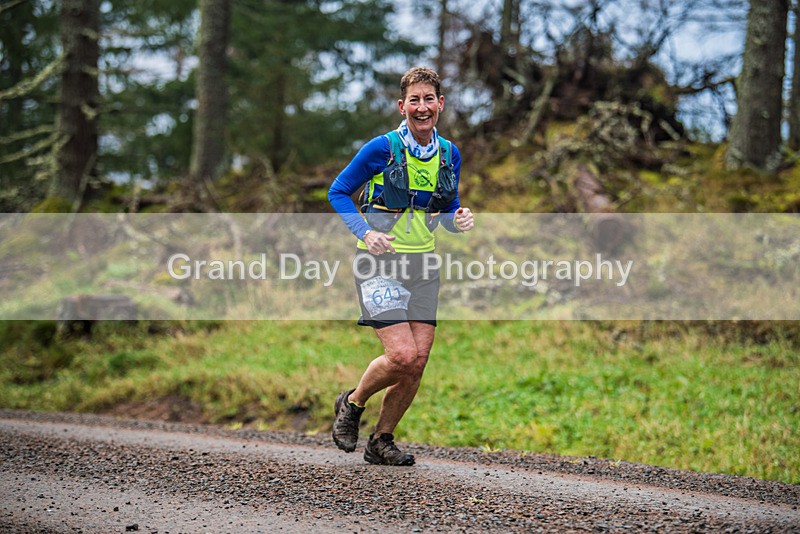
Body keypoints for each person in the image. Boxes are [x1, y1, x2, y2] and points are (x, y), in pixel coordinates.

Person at [327, 66, 474, 466]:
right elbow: (338, 191)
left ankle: (381, 440)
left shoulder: (449, 153)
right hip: (378, 263)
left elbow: (445, 210)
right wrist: (365, 231)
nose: (422, 107)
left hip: (423, 265)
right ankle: (353, 403)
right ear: (402, 105)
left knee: (418, 362)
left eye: (429, 99)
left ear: (440, 104)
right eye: (415, 100)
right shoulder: (382, 148)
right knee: (403, 356)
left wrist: (457, 220)